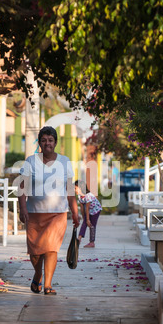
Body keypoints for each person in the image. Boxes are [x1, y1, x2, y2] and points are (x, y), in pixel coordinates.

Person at [19, 126, 80, 295]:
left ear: (55, 142)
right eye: (44, 140)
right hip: (34, 213)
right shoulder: (31, 161)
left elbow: (70, 190)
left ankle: (48, 284)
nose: (47, 143)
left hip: (57, 213)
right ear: (39, 142)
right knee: (35, 252)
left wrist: (75, 212)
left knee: (51, 248)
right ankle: (38, 274)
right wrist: (22, 207)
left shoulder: (64, 161)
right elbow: (22, 186)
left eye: (50, 140)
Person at [74, 180, 102, 248]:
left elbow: (87, 208)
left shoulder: (88, 196)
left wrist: (88, 220)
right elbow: (82, 208)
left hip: (96, 210)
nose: (74, 190)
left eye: (75, 188)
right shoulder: (80, 197)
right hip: (89, 211)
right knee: (85, 223)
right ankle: (79, 239)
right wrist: (85, 219)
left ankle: (92, 242)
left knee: (92, 225)